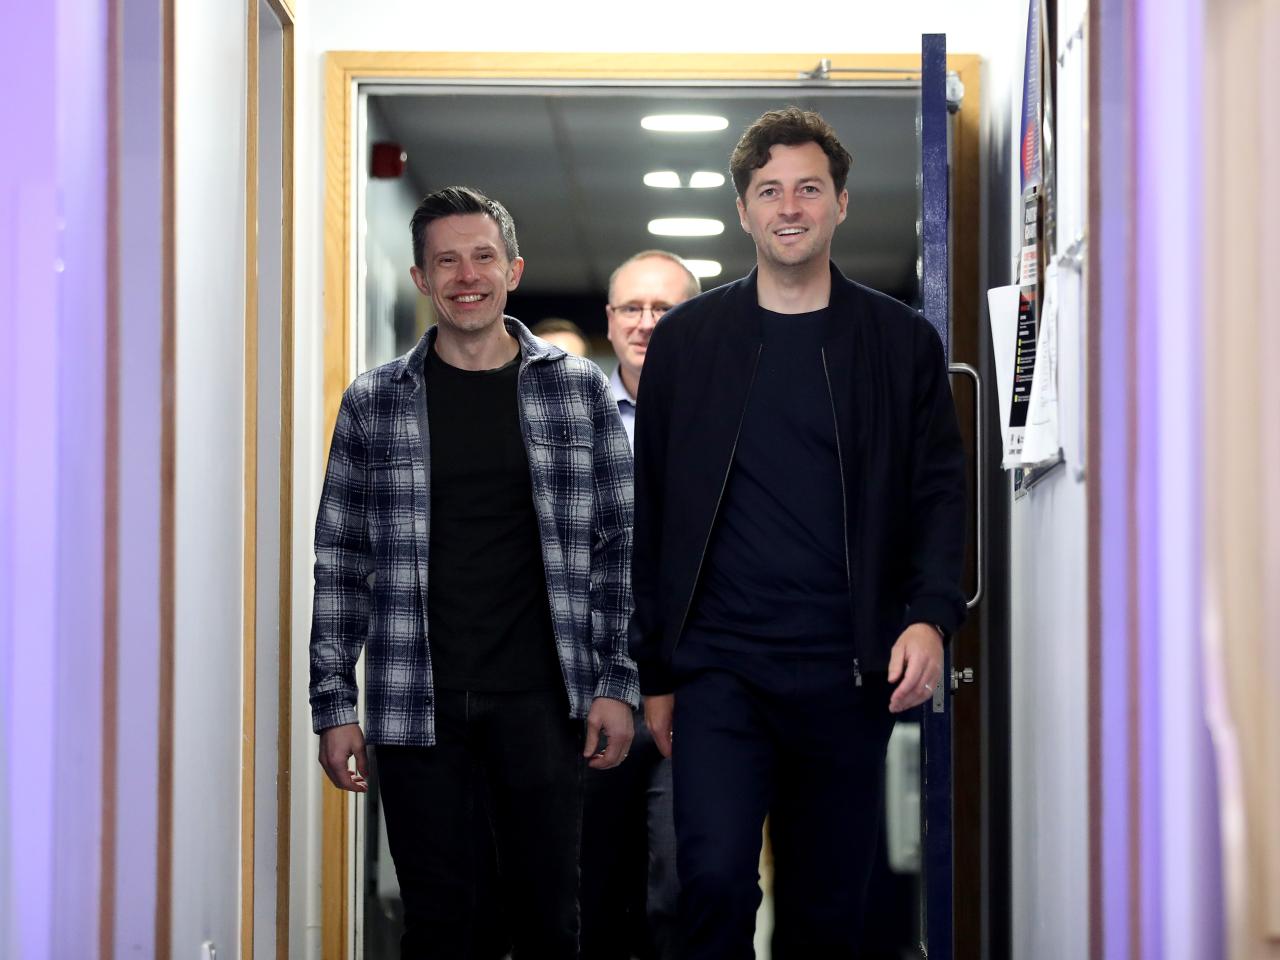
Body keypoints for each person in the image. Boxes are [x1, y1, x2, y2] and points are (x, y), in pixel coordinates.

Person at [629, 108, 967, 959]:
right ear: (743, 210)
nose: (789, 206)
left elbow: (939, 495)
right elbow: (655, 514)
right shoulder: (687, 344)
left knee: (826, 910)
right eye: (769, 190)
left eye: (808, 188)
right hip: (719, 670)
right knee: (709, 880)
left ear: (841, 204)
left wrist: (929, 616)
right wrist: (656, 672)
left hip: (847, 672)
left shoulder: (901, 346)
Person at [310, 185, 638, 959]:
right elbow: (341, 556)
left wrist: (617, 682)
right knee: (441, 926)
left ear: (513, 269)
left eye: (482, 257)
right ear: (422, 279)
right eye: (446, 261)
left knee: (549, 922)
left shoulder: (577, 391)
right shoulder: (374, 402)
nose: (467, 275)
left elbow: (620, 548)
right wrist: (333, 702)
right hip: (414, 703)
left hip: (543, 701)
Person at [580, 251, 700, 960]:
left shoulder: (726, 412)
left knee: (683, 887)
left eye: (666, 309)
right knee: (595, 892)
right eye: (633, 308)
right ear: (610, 320)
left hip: (695, 690)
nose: (647, 324)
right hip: (595, 692)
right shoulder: (573, 415)